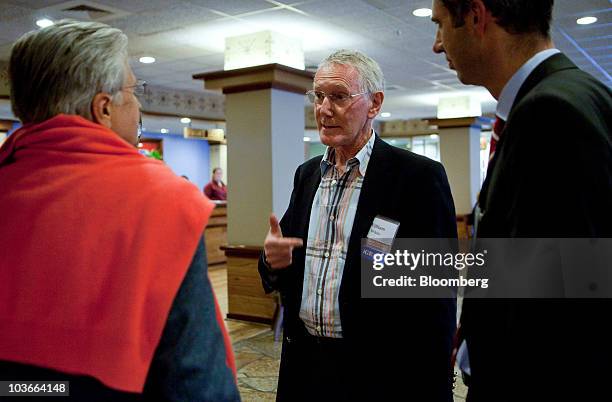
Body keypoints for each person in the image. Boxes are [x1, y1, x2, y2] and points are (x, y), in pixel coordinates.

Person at [0, 20, 239, 401]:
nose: (140, 103)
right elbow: (196, 378)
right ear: (104, 109)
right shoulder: (162, 201)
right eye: (134, 90)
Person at [431, 1, 612, 401]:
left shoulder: (551, 112)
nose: (437, 44)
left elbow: (565, 307)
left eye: (441, 25)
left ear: (477, 18)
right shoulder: (579, 92)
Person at [258, 49, 457, 401]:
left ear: (374, 104)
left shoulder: (416, 178)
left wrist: (435, 379)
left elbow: (435, 297)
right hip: (306, 364)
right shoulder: (307, 176)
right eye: (318, 96)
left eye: (338, 96)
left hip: (378, 372)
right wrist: (272, 261)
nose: (324, 109)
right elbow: (287, 261)